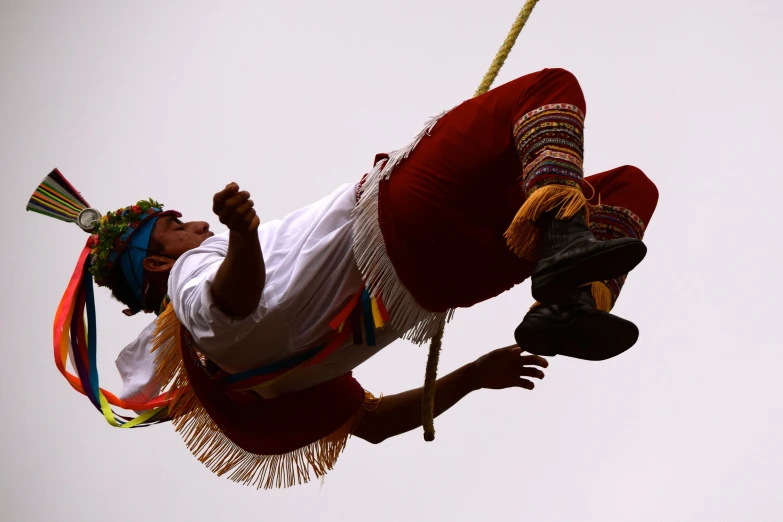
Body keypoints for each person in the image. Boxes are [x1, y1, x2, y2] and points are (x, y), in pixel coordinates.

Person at [31, 67, 658, 489]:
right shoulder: (193, 280)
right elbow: (231, 304)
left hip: (442, 284)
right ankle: (567, 262)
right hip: (404, 213)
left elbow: (375, 424)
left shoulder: (258, 384)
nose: (192, 222)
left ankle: (570, 300)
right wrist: (242, 232)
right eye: (172, 223)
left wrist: (476, 377)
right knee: (548, 89)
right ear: (157, 262)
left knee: (628, 191)